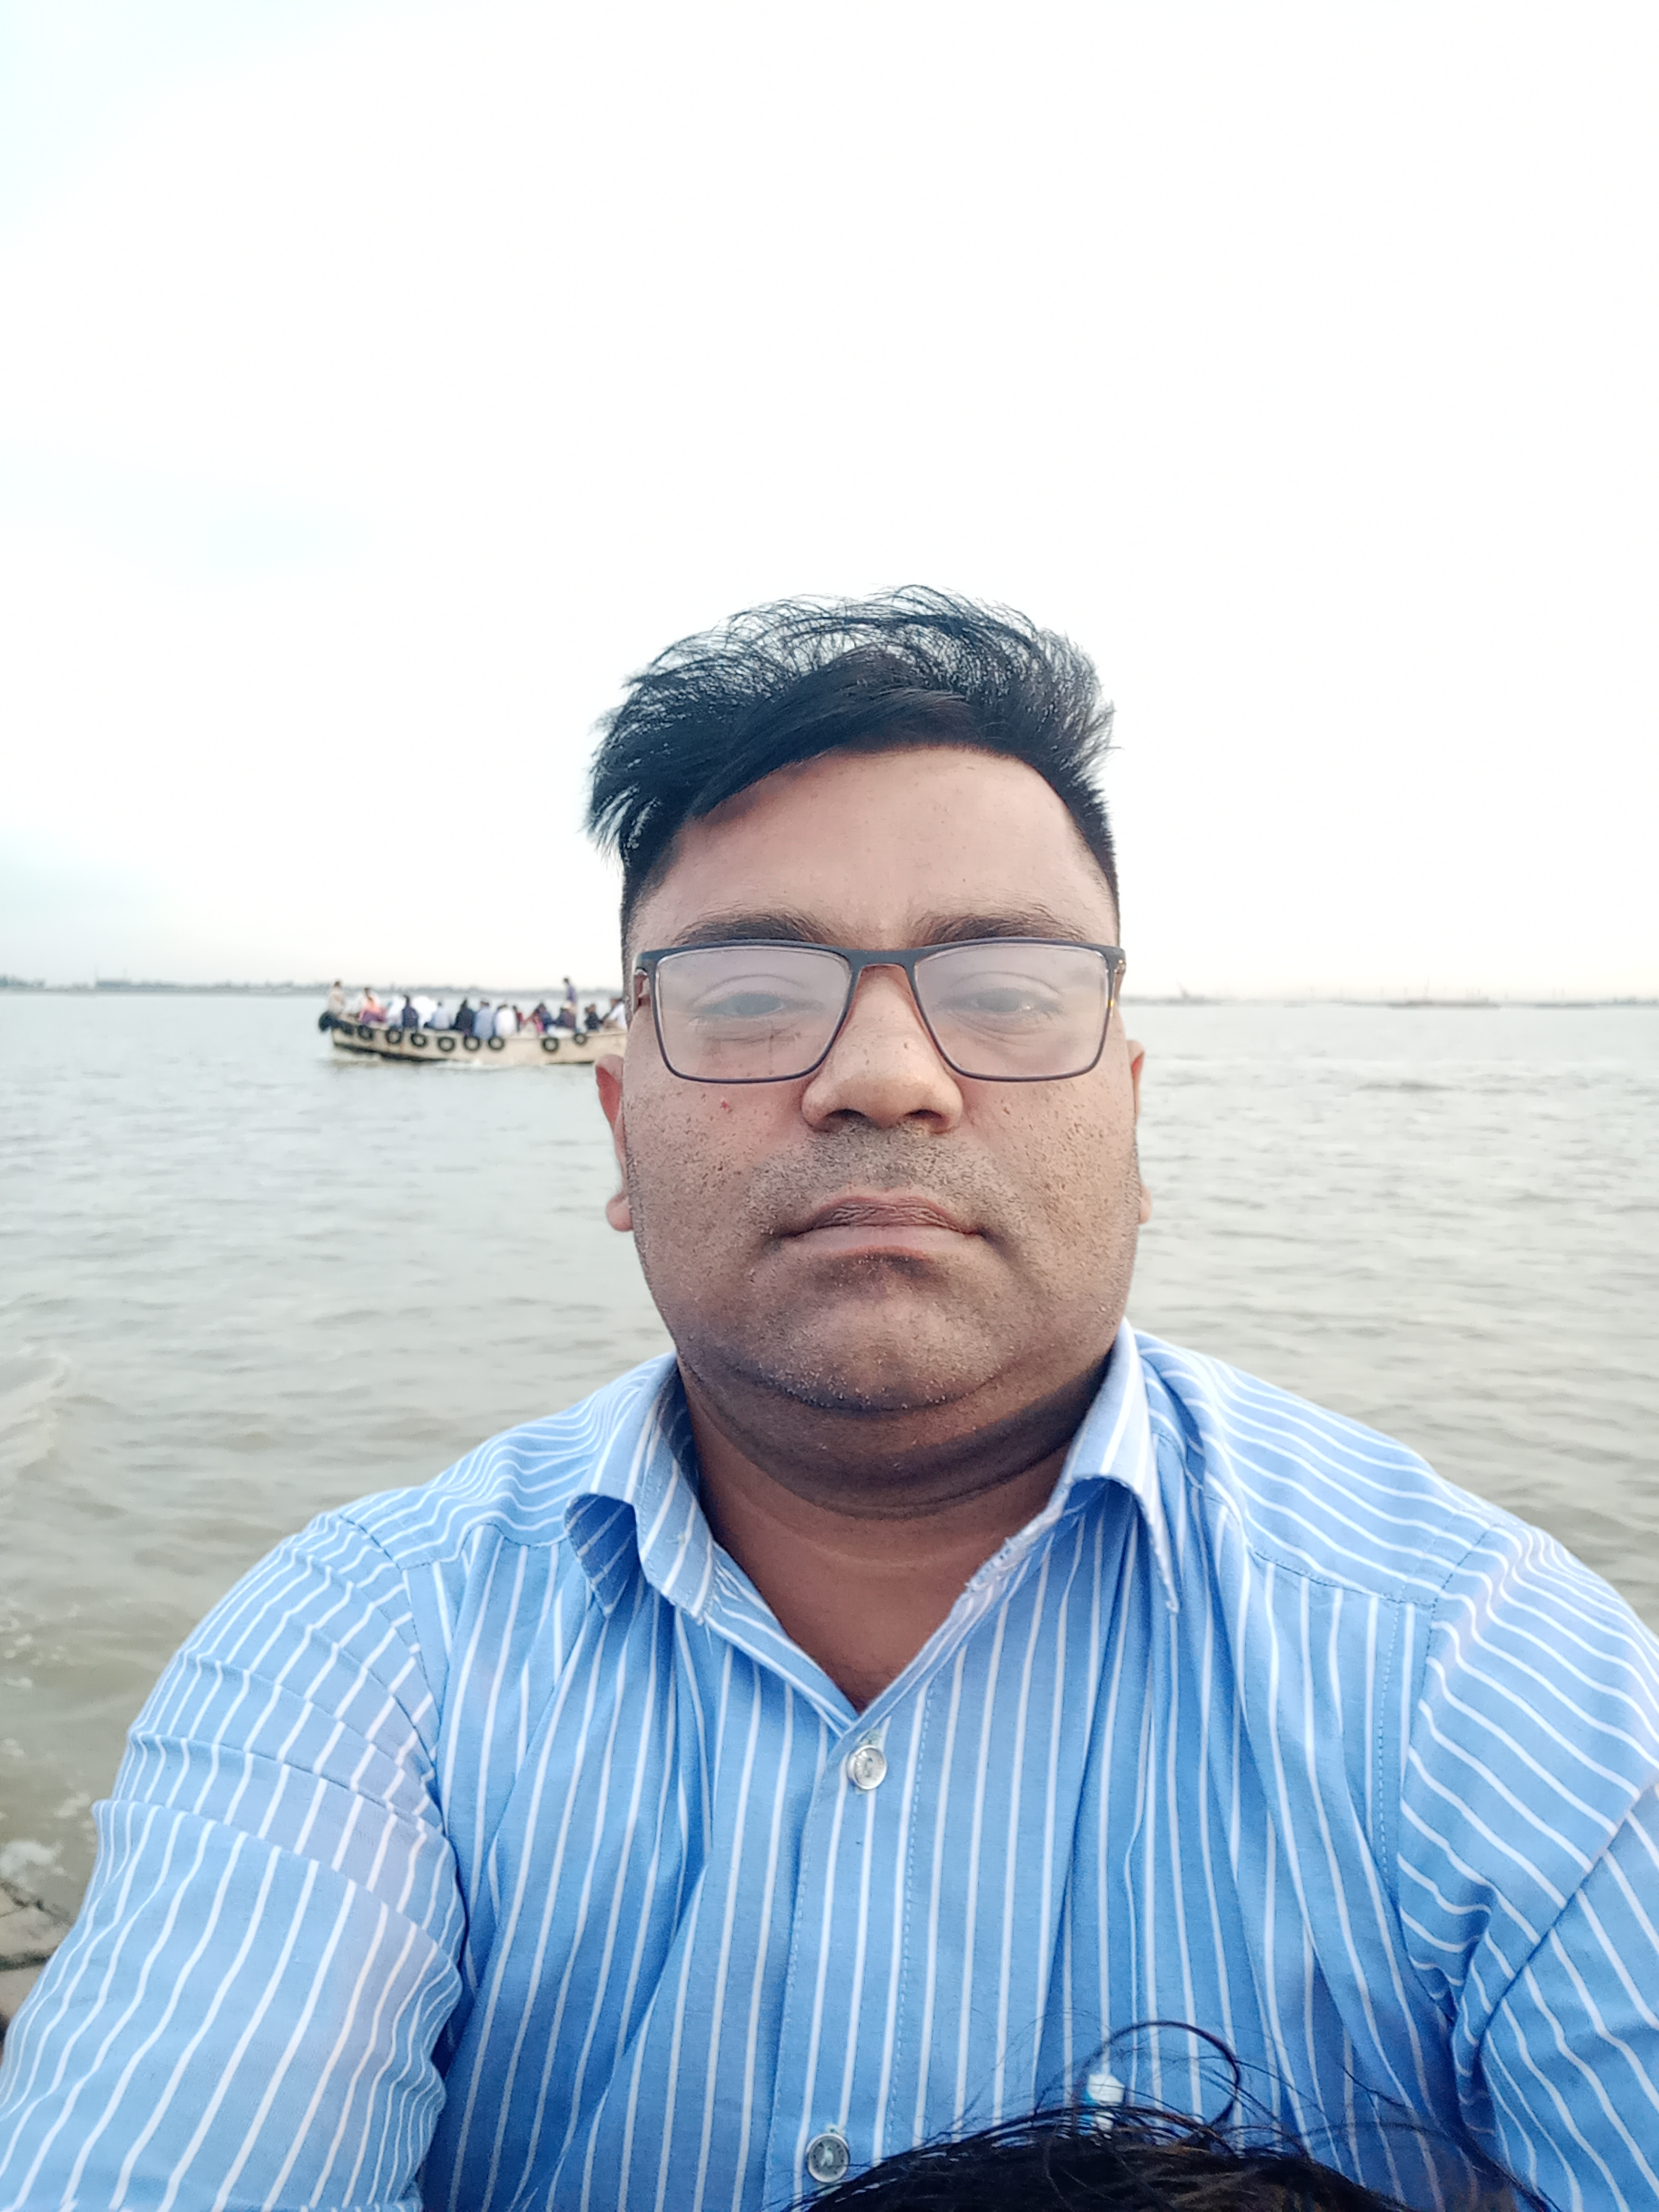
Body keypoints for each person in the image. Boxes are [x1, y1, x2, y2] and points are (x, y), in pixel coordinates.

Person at [2, 592, 1656, 2212]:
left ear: (1133, 1119)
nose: (884, 1075)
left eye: (1005, 993)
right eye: (749, 1000)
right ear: (619, 1130)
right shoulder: (363, 1655)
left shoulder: (1486, 1676)